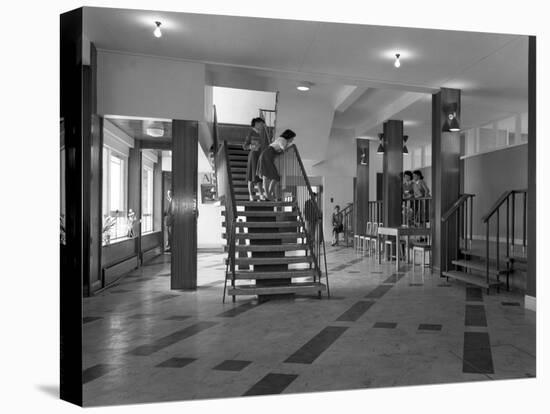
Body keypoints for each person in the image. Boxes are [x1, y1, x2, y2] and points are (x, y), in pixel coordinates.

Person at [256, 129, 296, 201]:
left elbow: (281, 150)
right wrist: (290, 146)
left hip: (268, 155)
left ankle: (267, 195)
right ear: (289, 136)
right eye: (292, 138)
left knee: (273, 177)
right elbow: (283, 148)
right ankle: (268, 195)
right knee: (268, 176)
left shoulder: (282, 140)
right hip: (267, 155)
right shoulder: (283, 140)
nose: (292, 139)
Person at [243, 117, 268, 201]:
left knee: (259, 176)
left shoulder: (261, 134)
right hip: (253, 156)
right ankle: (251, 196)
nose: (262, 126)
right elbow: (244, 146)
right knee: (251, 176)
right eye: (261, 124)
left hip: (260, 156)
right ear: (256, 123)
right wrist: (252, 146)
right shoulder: (251, 132)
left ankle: (261, 194)